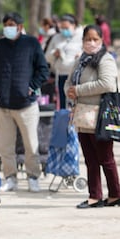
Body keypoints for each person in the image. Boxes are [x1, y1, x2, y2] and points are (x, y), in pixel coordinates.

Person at [0, 12, 49, 193]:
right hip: (4, 105)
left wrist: (31, 87)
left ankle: (33, 177)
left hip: (27, 104)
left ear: (20, 27)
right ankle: (10, 178)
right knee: (6, 146)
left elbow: (43, 70)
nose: (9, 27)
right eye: (6, 24)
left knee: (31, 144)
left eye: (12, 24)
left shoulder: (31, 43)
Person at [65, 25, 120, 209]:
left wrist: (78, 90)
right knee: (90, 158)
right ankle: (95, 196)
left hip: (99, 116)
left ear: (101, 40)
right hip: (82, 115)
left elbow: (107, 83)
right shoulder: (82, 59)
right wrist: (69, 92)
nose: (91, 42)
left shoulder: (105, 59)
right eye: (88, 39)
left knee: (105, 157)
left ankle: (115, 194)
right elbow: (69, 81)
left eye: (95, 39)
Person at [45, 14, 83, 109]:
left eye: (66, 27)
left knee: (76, 101)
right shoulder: (56, 38)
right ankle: (63, 121)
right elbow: (46, 57)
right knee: (62, 102)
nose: (64, 30)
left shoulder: (82, 36)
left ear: (73, 25)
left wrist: (81, 56)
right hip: (61, 74)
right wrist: (54, 54)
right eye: (62, 27)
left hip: (77, 75)